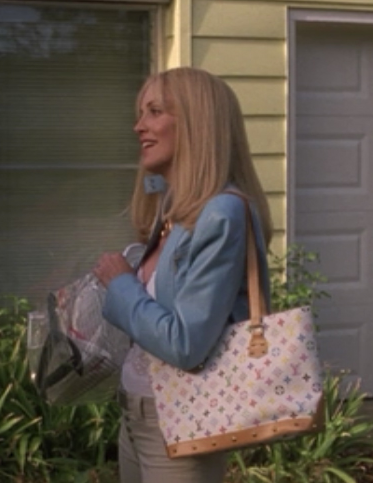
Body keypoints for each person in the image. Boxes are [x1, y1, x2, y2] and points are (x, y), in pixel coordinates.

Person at [92, 67, 273, 483]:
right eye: (140, 113)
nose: (139, 126)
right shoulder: (175, 210)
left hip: (181, 419)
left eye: (155, 112)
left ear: (196, 123)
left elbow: (185, 344)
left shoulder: (221, 213)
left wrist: (121, 283)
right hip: (137, 413)